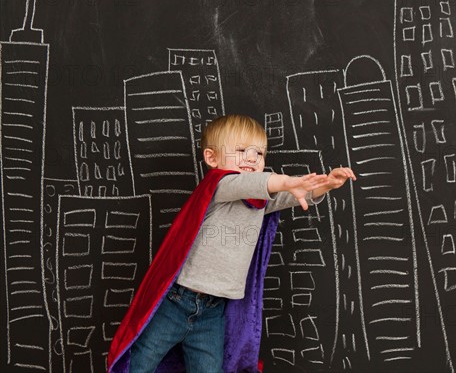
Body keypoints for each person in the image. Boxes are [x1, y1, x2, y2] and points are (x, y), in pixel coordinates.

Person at [108, 114, 355, 373]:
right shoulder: (219, 185)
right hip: (177, 302)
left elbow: (290, 195)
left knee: (210, 368)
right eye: (241, 150)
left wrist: (325, 184)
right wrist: (284, 180)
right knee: (140, 363)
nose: (252, 158)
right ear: (213, 159)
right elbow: (253, 183)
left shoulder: (260, 199)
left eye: (259, 153)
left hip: (213, 312)